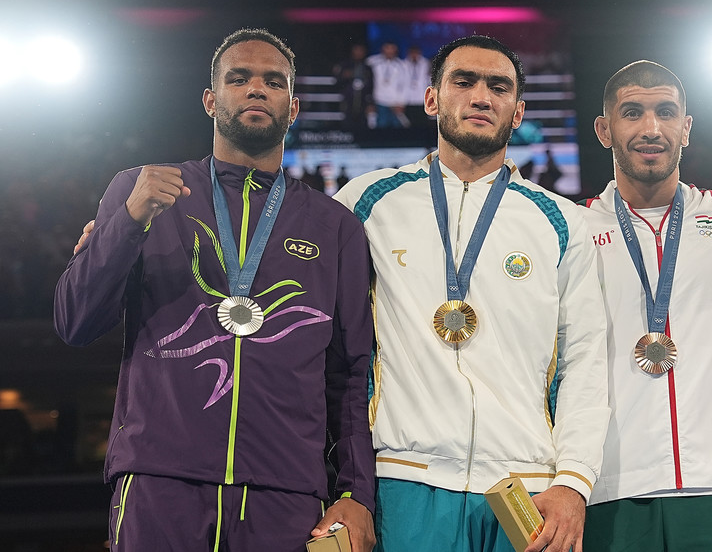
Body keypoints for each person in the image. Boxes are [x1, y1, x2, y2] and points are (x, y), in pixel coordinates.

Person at [54, 28, 376, 552]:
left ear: (293, 107)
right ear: (210, 99)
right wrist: (129, 222)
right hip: (159, 480)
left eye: (273, 82)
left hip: (287, 492)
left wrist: (356, 491)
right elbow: (74, 323)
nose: (256, 89)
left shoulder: (334, 227)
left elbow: (350, 372)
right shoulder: (140, 191)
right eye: (238, 78)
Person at [333, 35, 608, 552]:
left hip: (526, 485)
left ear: (518, 109)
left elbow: (586, 362)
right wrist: (344, 483)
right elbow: (334, 352)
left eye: (498, 87)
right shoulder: (367, 203)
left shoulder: (563, 221)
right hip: (403, 479)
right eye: (464, 81)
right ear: (432, 98)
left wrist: (573, 480)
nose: (482, 96)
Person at [579, 60, 712, 551]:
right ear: (604, 130)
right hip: (609, 489)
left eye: (666, 112)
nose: (651, 128)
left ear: (686, 128)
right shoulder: (571, 230)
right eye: (632, 113)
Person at [367, 41, 410, 129]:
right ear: (382, 49)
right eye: (387, 48)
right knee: (380, 128)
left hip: (395, 102)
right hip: (379, 100)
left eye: (392, 49)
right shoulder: (372, 62)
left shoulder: (402, 65)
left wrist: (402, 103)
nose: (389, 51)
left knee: (396, 130)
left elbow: (405, 85)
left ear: (396, 50)